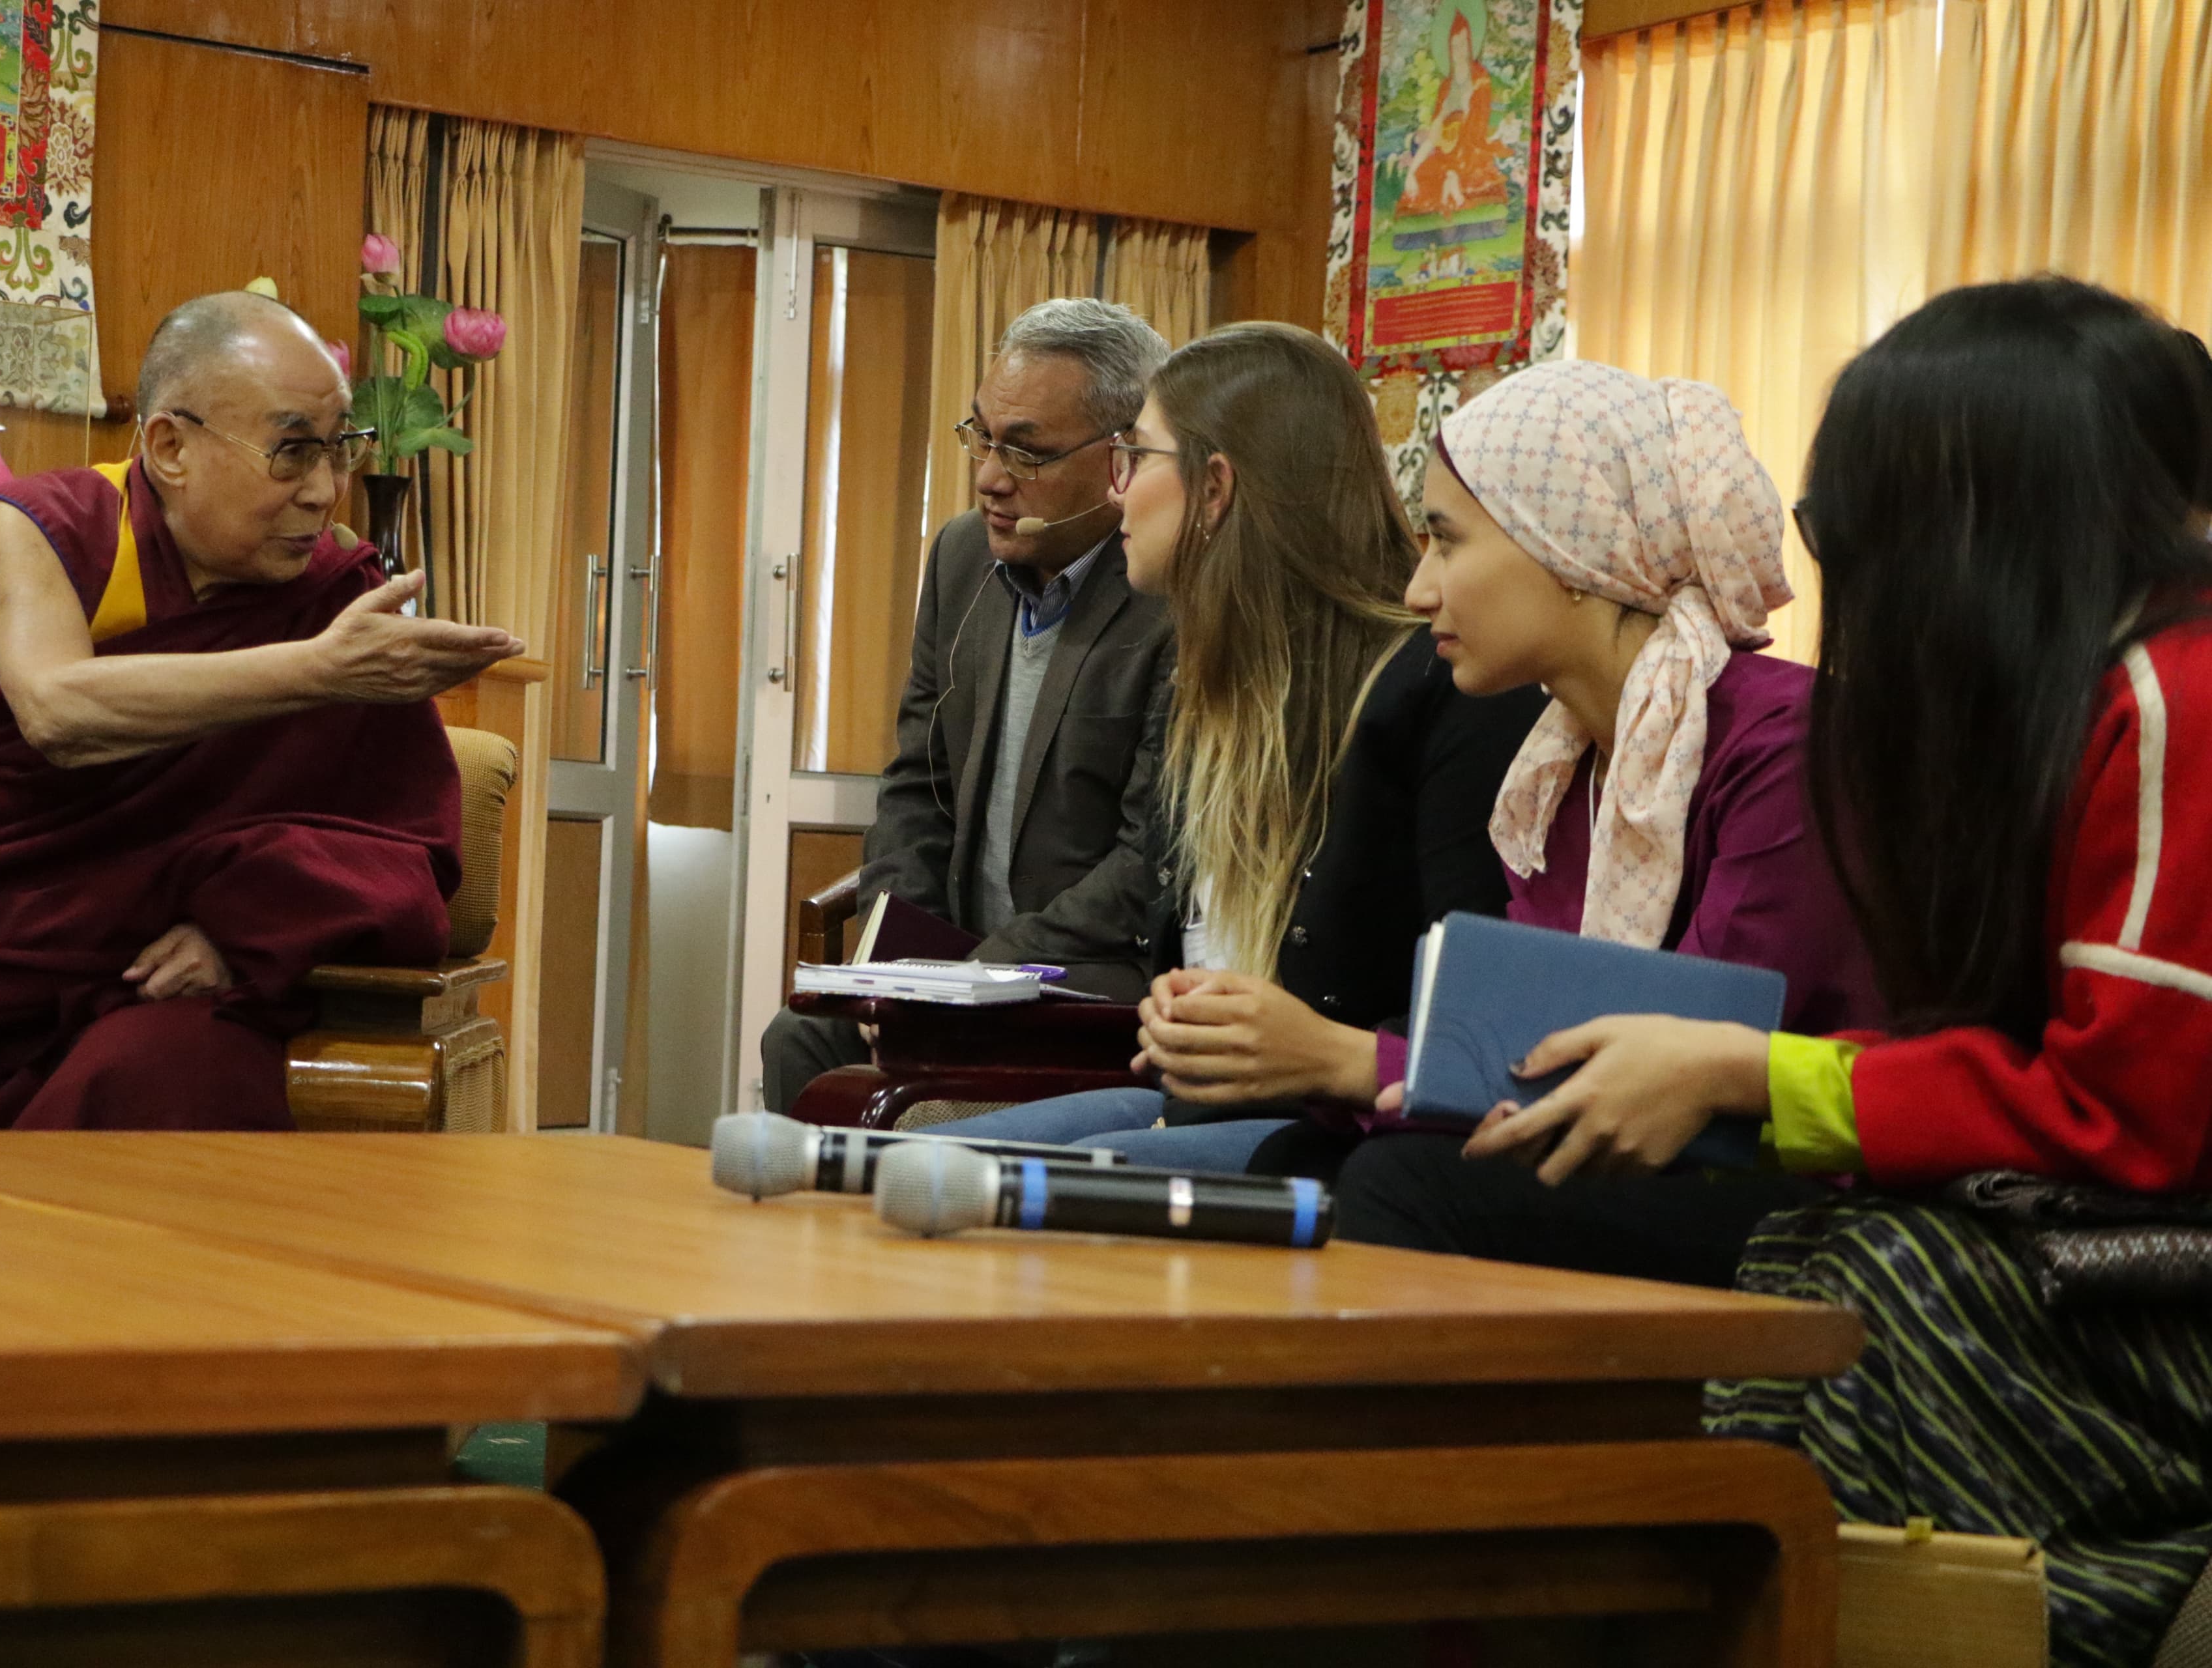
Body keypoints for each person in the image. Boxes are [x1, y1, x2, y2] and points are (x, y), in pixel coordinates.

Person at [1463, 281, 2212, 1667]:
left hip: (2173, 1272)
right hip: (2112, 1232)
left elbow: (2130, 1113)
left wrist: (1752, 1072)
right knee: (1806, 1254)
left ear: (1969, 526)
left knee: (1882, 1284)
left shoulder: (2181, 697)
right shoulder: (2090, 694)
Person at [0, 290, 523, 1128]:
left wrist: (248, 929)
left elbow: (401, 852)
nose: (324, 491)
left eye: (340, 449)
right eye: (291, 452)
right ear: (170, 446)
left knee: (143, 1087)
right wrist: (318, 670)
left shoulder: (333, 594)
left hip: (152, 982)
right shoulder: (48, 529)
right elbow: (58, 711)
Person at [1245, 357, 1880, 1289]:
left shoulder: (1786, 745)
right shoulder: (1560, 766)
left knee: (1397, 1182)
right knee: (1296, 1163)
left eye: (1449, 543)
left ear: (1574, 554)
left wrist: (1350, 1061)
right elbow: (1532, 1028)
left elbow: (1686, 1063)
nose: (1420, 591)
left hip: (1800, 1184)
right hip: (1656, 1151)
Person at [909, 321, 1545, 1168]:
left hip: (1352, 1133)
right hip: (1201, 1106)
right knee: (900, 1159)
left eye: (1136, 457)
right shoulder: (1206, 676)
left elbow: (1476, 1013)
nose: (1118, 491)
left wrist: (1301, 1045)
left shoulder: (1440, 690)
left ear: (1214, 489)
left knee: (968, 1188)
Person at [759, 299, 1177, 1115]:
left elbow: (1143, 864)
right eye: (981, 436)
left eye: (1025, 449)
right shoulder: (960, 557)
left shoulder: (1168, 592)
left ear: (1122, 458)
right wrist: (900, 970)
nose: (990, 475)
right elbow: (916, 786)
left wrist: (972, 978)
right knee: (797, 1040)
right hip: (955, 972)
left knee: (921, 1108)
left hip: (1089, 984)